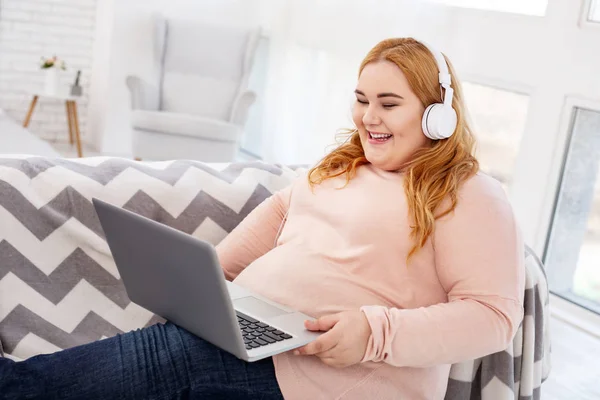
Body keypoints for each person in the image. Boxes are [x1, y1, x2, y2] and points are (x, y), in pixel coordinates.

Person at [0, 37, 525, 400]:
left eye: (389, 104)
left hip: (325, 378)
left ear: (438, 115)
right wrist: (195, 294)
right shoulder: (341, 168)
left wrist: (373, 331)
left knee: (54, 382)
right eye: (362, 100)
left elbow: (494, 318)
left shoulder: (468, 193)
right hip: (245, 338)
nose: (368, 117)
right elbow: (263, 231)